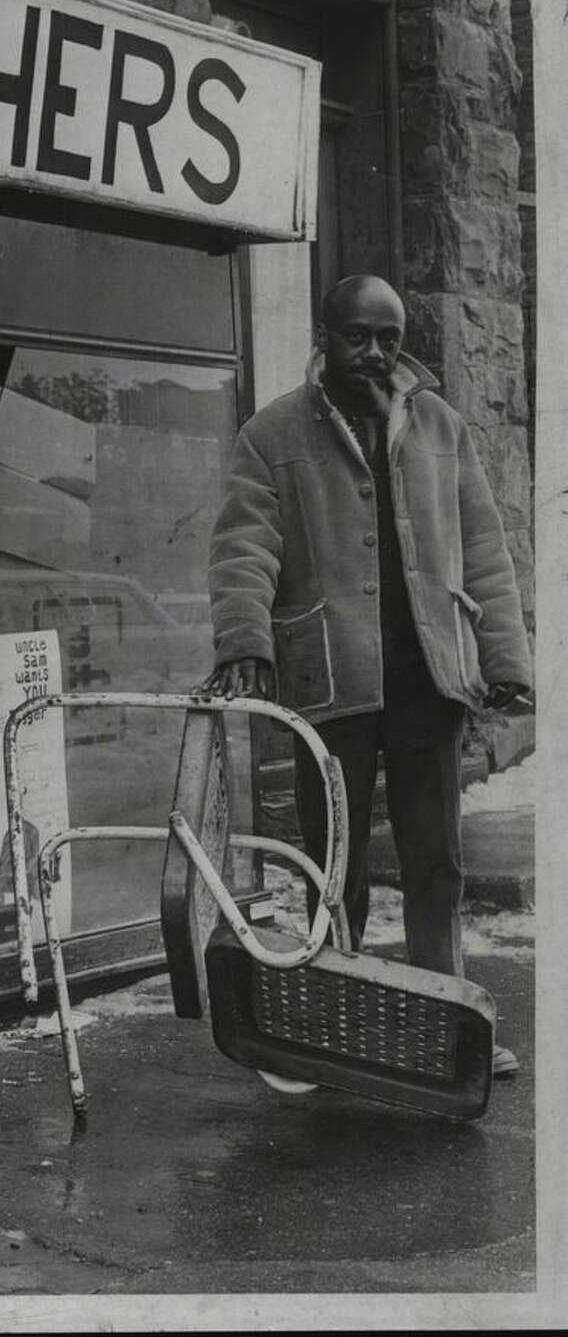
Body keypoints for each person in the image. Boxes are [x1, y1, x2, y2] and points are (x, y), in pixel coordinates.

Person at [202, 273, 531, 1077]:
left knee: (435, 862)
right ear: (325, 336)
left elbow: (483, 550)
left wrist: (506, 663)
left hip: (429, 681)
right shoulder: (272, 433)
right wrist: (245, 635)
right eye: (359, 336)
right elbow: (244, 544)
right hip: (331, 685)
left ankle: (448, 1026)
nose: (377, 352)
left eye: (390, 337)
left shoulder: (441, 426)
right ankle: (337, 1019)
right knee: (333, 865)